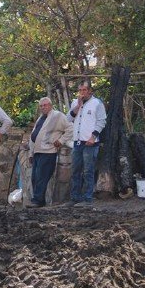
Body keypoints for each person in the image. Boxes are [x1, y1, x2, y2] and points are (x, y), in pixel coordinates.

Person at [26, 97, 73, 208]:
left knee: (41, 177)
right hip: (37, 151)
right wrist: (31, 153)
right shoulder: (41, 118)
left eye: (45, 105)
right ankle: (39, 201)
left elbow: (70, 128)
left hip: (48, 151)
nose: (43, 107)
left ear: (50, 105)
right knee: (35, 177)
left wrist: (61, 140)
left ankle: (37, 201)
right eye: (41, 106)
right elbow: (34, 135)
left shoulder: (57, 116)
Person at [66, 79, 106, 207]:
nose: (82, 92)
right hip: (77, 142)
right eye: (80, 90)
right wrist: (78, 106)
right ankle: (75, 196)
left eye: (84, 90)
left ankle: (88, 197)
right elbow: (68, 119)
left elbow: (101, 121)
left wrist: (93, 137)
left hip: (90, 142)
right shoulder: (75, 103)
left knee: (88, 170)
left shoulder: (97, 103)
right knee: (75, 170)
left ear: (90, 91)